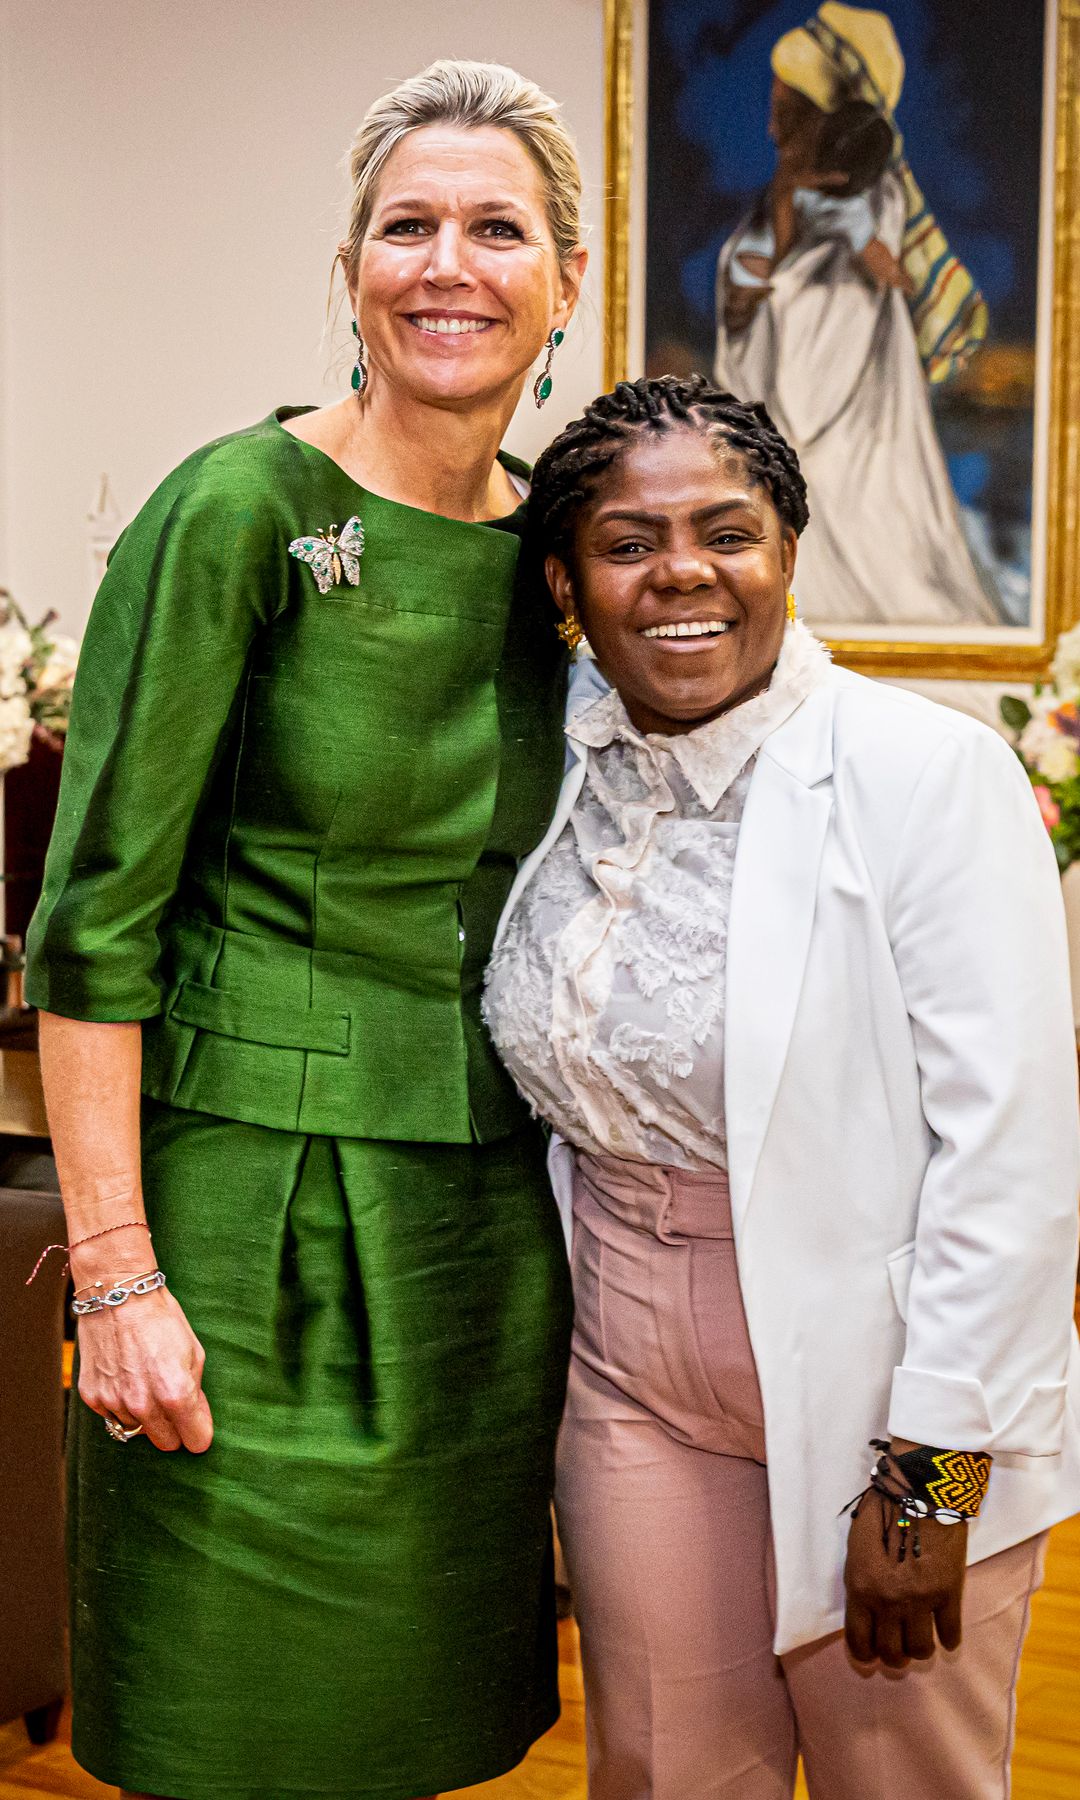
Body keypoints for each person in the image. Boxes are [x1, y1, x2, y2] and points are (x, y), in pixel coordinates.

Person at [26, 58, 586, 1800]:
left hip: (479, 1228)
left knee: (422, 1731)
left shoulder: (572, 553)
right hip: (242, 1222)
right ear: (346, 273)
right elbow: (94, 921)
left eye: (498, 228)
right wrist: (114, 1272)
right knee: (235, 1725)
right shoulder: (239, 512)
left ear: (563, 283)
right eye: (405, 225)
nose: (448, 263)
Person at [484, 373, 1080, 1799]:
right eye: (628, 543)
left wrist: (933, 1478)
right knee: (663, 1771)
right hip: (630, 1385)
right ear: (568, 584)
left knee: (904, 1782)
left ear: (788, 553)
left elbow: (1010, 1158)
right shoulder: (551, 766)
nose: (681, 571)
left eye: (725, 530)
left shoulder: (926, 774)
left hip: (887, 1398)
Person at [715, 3, 1000, 628]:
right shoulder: (779, 197)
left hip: (853, 428)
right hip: (785, 411)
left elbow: (827, 306)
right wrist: (782, 217)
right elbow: (745, 289)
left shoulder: (876, 193)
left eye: (788, 98)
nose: (774, 112)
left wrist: (792, 267)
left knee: (865, 545)